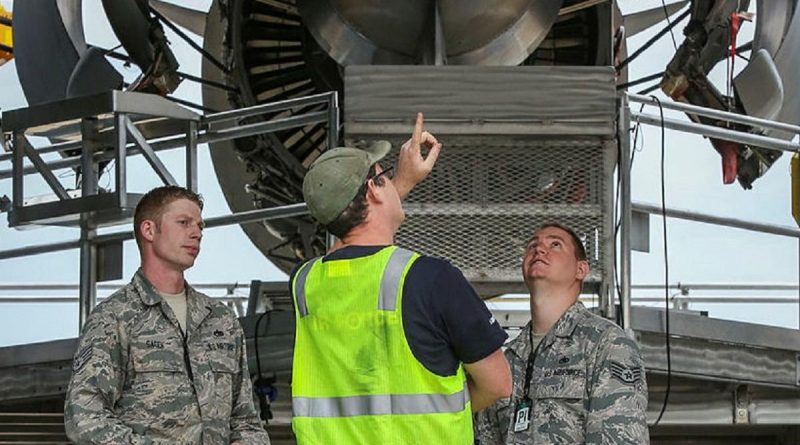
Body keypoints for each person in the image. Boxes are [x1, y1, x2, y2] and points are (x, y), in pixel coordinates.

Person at [290, 113, 512, 444]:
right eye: (385, 176)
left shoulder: (305, 283)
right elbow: (498, 384)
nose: (392, 182)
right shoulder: (432, 279)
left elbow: (349, 234)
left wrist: (400, 182)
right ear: (374, 191)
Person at [64, 186, 270, 445]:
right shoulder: (114, 318)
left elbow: (246, 421)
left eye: (200, 227)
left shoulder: (221, 320)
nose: (196, 234)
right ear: (149, 230)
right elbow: (85, 417)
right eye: (184, 223)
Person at [474, 223, 649, 444]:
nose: (539, 250)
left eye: (555, 244)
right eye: (532, 246)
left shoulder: (607, 343)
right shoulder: (508, 360)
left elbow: (619, 437)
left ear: (581, 269)